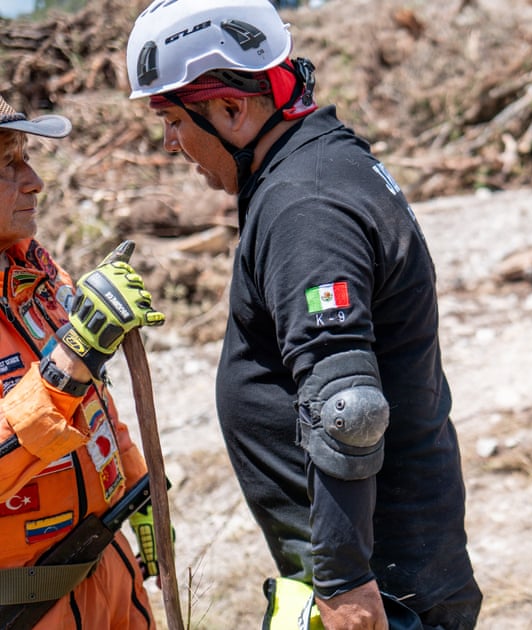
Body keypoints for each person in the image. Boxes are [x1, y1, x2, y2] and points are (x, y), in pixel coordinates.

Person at [124, 1, 480, 628]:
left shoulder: (304, 207)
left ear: (233, 109)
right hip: (384, 566)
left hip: (377, 587)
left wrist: (344, 585)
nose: (169, 142)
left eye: (173, 120)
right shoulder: (321, 164)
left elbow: (349, 409)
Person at [0, 94, 165, 628]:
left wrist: (141, 494)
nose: (34, 181)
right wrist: (68, 360)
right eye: (8, 164)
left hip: (108, 568)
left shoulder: (35, 274)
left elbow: (94, 403)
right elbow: (68, 379)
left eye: (25, 156)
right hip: (25, 603)